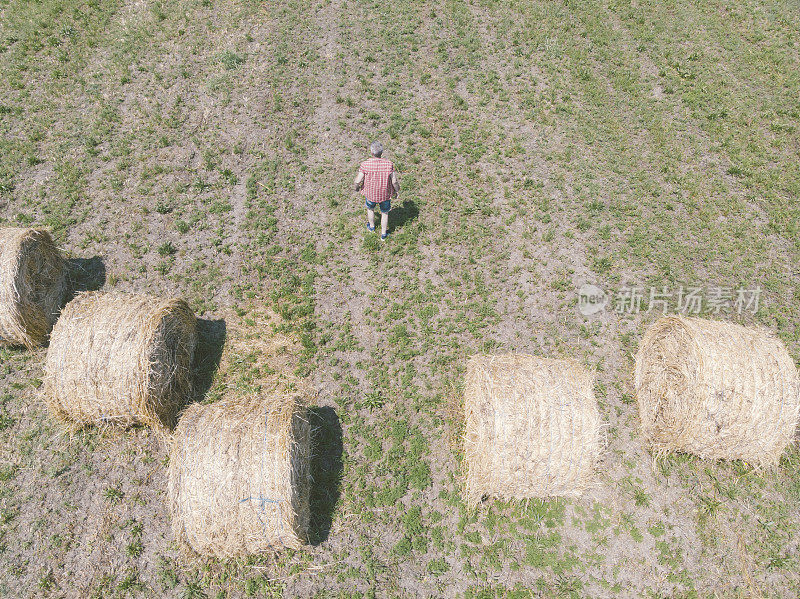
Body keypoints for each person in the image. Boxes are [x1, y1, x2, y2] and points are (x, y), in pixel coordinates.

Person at [354, 141, 399, 240]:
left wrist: (356, 188)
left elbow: (358, 180)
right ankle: (383, 234)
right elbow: (394, 181)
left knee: (370, 209)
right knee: (385, 213)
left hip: (370, 195)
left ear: (371, 152)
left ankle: (371, 227)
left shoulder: (365, 164)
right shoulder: (389, 164)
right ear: (381, 153)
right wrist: (397, 190)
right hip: (385, 195)